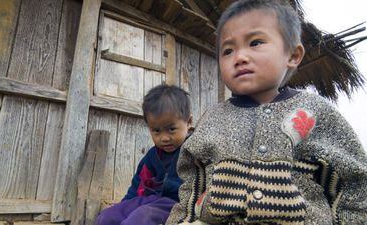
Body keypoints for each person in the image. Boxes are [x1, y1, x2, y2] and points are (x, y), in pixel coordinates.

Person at [166, 0, 367, 224]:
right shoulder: (212, 119)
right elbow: (192, 180)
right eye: (228, 50)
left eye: (256, 42)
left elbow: (355, 181)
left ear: (292, 55)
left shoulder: (317, 113)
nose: (239, 57)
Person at [96, 84, 193, 225]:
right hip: (150, 200)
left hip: (177, 204)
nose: (164, 138)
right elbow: (137, 185)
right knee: (108, 216)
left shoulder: (194, 152)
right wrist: (124, 206)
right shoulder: (152, 157)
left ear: (188, 122)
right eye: (156, 131)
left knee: (141, 218)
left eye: (171, 129)